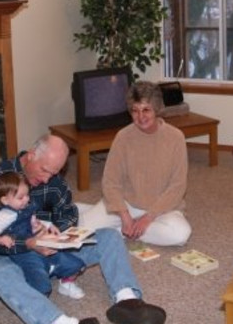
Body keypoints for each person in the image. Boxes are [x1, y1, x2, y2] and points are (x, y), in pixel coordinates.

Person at [0, 134, 167, 324]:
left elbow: (69, 214)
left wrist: (55, 232)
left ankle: (127, 301)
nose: (48, 179)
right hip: (15, 257)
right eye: (45, 170)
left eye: (54, 173)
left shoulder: (54, 181)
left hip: (56, 252)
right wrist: (29, 244)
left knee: (110, 236)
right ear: (31, 155)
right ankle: (58, 321)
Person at [78, 81, 191, 247]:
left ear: (157, 109)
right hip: (127, 205)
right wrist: (124, 216)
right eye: (135, 110)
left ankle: (119, 233)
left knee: (180, 234)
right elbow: (110, 182)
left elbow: (178, 186)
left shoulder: (176, 137)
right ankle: (123, 225)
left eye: (146, 110)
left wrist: (148, 218)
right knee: (82, 229)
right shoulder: (123, 137)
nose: (140, 117)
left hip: (161, 209)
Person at [0, 171, 86, 300]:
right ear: (5, 200)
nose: (26, 199)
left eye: (27, 195)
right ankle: (35, 295)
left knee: (73, 263)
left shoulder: (27, 208)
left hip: (39, 243)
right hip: (23, 254)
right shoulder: (3, 216)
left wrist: (47, 226)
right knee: (40, 281)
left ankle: (66, 283)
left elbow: (35, 222)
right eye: (20, 197)